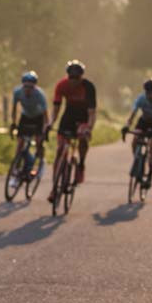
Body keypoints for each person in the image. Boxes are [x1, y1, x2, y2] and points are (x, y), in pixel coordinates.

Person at [48, 60, 97, 202]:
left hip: (83, 117)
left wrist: (89, 128)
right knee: (59, 150)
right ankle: (54, 188)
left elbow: (92, 113)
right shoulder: (61, 85)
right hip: (68, 117)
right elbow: (56, 109)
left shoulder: (88, 87)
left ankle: (81, 164)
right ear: (67, 76)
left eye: (77, 78)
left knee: (83, 139)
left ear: (82, 77)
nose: (74, 81)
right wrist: (50, 123)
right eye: (71, 78)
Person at [122, 78, 152, 188]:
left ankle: (150, 176)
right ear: (145, 92)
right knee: (135, 141)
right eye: (148, 93)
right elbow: (133, 114)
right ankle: (138, 161)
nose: (151, 95)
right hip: (143, 122)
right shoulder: (141, 99)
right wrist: (127, 125)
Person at [8, 70, 50, 190]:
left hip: (38, 117)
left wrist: (45, 128)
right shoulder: (17, 92)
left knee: (38, 141)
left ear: (34, 87)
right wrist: (13, 123)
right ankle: (15, 171)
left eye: (30, 87)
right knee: (20, 143)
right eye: (25, 86)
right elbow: (14, 108)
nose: (28, 89)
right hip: (25, 116)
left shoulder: (39, 94)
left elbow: (45, 114)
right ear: (22, 85)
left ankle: (41, 162)